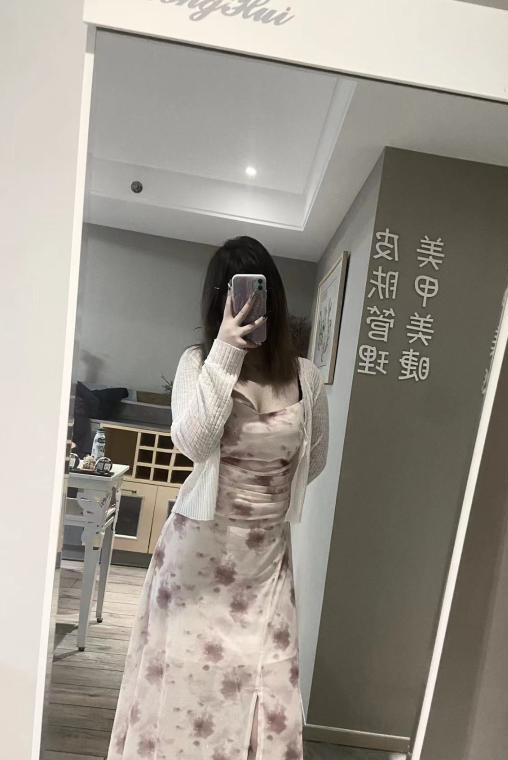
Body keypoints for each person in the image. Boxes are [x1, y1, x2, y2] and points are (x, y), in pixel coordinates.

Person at [108, 236, 329, 760]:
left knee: (269, 686)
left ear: (272, 297)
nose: (246, 306)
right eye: (232, 296)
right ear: (218, 302)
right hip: (197, 557)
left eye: (255, 294)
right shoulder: (199, 363)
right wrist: (226, 352)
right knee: (184, 682)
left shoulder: (307, 376)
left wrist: (263, 500)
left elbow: (315, 459)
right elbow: (192, 443)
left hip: (266, 561)